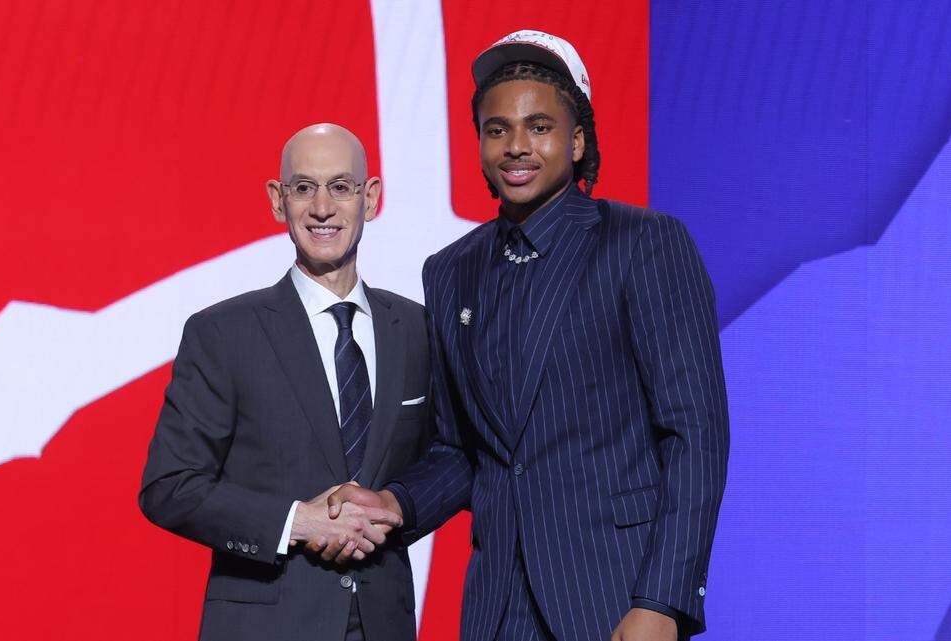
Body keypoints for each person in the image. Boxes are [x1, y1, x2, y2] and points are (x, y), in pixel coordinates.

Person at [324, 31, 729, 641]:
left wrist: (664, 601)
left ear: (577, 138)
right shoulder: (451, 270)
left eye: (539, 126)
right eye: (496, 130)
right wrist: (399, 504)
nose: (516, 146)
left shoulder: (644, 245)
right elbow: (464, 451)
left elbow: (695, 435)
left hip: (617, 600)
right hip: (496, 607)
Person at [139, 123, 434, 641]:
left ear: (371, 198)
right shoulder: (222, 333)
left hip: (385, 621)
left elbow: (449, 460)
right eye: (304, 187)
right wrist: (298, 522)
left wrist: (395, 508)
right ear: (279, 201)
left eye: (341, 186)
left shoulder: (415, 329)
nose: (322, 207)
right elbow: (170, 487)